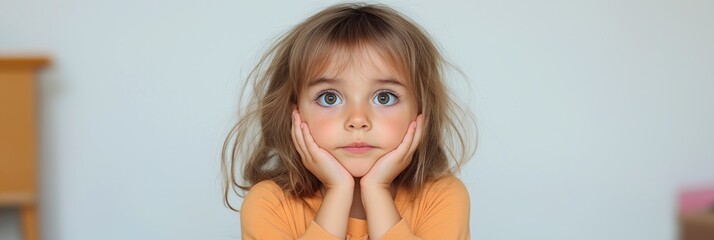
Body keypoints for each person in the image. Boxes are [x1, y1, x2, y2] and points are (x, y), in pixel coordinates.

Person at [222, 2, 476, 239]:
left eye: (384, 97)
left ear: (421, 111)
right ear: (294, 113)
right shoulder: (269, 203)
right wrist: (337, 192)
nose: (357, 120)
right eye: (329, 98)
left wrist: (377, 191)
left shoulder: (442, 197)